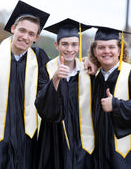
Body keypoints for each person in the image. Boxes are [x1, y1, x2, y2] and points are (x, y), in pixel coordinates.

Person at [0, 0, 50, 169]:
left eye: (31, 34)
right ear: (13, 29)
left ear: (36, 38)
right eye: (22, 30)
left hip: (25, 135)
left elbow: (60, 73)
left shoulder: (39, 58)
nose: (25, 37)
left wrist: (88, 62)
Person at [35, 18, 95, 169]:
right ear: (57, 45)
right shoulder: (46, 70)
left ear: (79, 45)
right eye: (65, 44)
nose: (70, 49)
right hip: (53, 138)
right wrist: (55, 79)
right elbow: (42, 108)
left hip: (82, 139)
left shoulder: (88, 71)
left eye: (74, 44)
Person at [88, 26, 131, 168]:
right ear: (94, 51)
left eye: (111, 47)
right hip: (98, 155)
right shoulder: (93, 77)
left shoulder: (129, 73)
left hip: (124, 156)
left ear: (119, 50)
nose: (106, 51)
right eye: (101, 47)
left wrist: (116, 105)